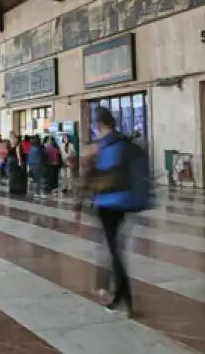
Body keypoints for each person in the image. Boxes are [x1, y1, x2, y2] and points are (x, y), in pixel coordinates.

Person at [86, 107, 135, 316]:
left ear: (99, 125)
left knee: (113, 252)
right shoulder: (124, 142)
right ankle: (118, 295)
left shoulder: (103, 146)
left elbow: (95, 176)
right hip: (124, 202)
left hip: (107, 203)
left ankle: (123, 299)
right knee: (114, 249)